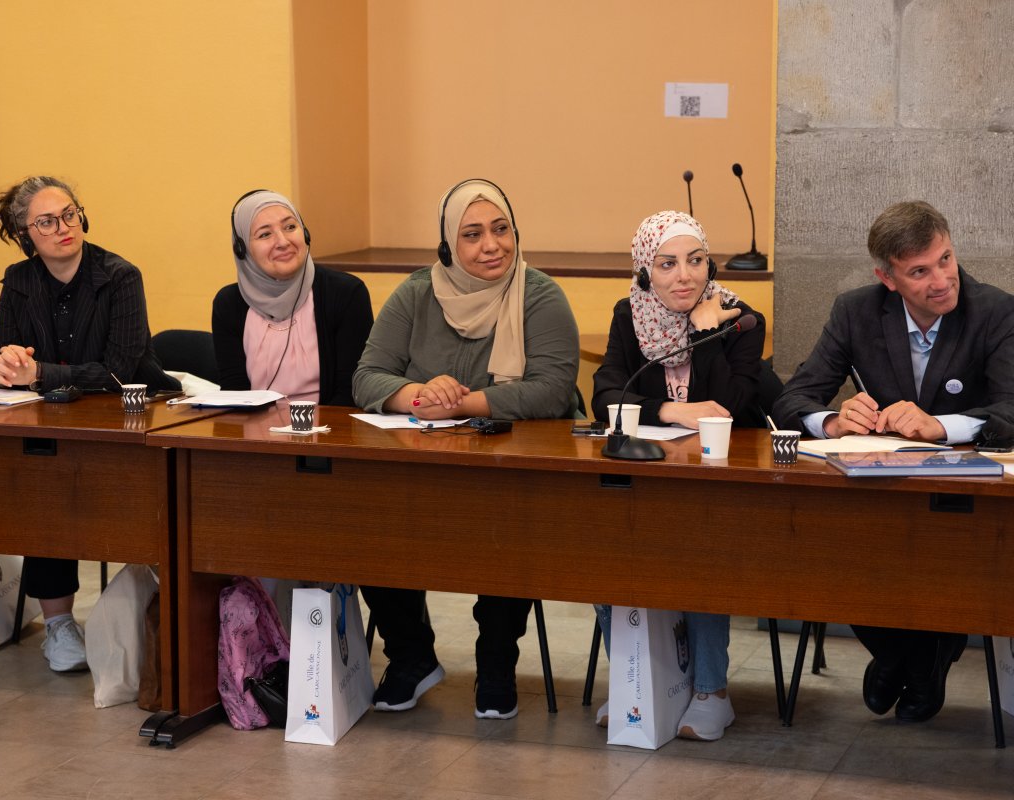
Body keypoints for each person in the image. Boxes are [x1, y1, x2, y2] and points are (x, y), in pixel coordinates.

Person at [0, 175, 179, 672]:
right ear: (26, 234)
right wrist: (5, 367)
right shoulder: (20, 279)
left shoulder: (119, 276)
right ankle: (55, 624)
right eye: (46, 222)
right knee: (36, 465)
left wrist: (40, 373)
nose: (63, 227)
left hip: (127, 420)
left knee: (49, 471)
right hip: (53, 421)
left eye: (69, 214)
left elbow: (118, 368)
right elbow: (6, 351)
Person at [773, 200, 1014, 723]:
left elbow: (1012, 407)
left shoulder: (995, 310)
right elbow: (792, 398)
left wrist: (943, 425)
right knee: (826, 545)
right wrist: (832, 421)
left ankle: (912, 660)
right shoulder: (855, 311)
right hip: (875, 497)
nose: (942, 280)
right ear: (887, 278)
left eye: (946, 259)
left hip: (959, 504)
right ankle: (908, 656)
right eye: (920, 272)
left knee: (949, 559)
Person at [352, 178, 579, 719]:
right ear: (448, 246)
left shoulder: (541, 295)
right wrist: (418, 394)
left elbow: (552, 390)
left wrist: (463, 402)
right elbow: (366, 376)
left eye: (501, 229)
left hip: (512, 470)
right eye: (472, 234)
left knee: (507, 527)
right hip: (422, 466)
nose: (491, 245)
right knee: (366, 522)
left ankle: (496, 661)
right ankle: (410, 658)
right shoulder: (414, 294)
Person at [590, 210, 765, 741]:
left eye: (696, 261)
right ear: (646, 271)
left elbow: (730, 404)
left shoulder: (740, 319)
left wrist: (706, 331)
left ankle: (712, 690)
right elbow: (604, 395)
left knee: (701, 558)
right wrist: (669, 411)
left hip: (718, 484)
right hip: (648, 476)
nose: (684, 276)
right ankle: (633, 679)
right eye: (667, 264)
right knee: (599, 557)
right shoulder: (629, 314)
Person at [212, 189, 373, 405]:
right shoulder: (229, 304)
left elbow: (351, 391)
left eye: (290, 227)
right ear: (242, 250)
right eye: (265, 234)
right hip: (254, 434)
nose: (283, 241)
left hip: (327, 431)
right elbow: (235, 395)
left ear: (305, 233)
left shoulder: (346, 293)